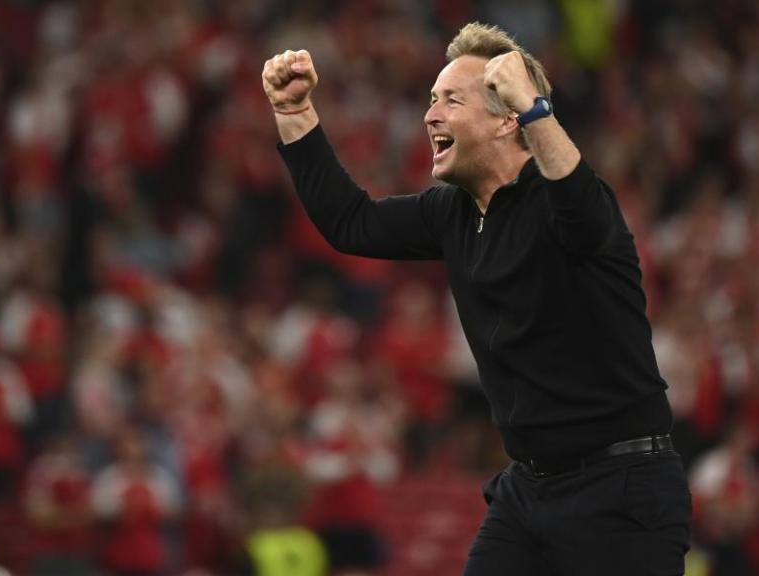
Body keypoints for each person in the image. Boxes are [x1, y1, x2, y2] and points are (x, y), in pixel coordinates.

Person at [262, 21, 692, 576]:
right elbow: (352, 223)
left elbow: (582, 215)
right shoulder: (453, 214)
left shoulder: (569, 200)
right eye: (431, 99)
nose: (430, 114)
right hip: (529, 489)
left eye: (451, 100)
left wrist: (538, 109)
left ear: (507, 116)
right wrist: (296, 115)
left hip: (623, 492)